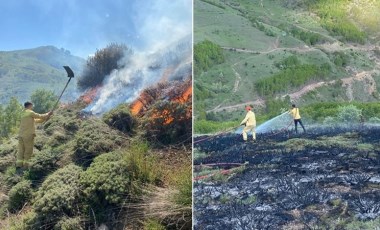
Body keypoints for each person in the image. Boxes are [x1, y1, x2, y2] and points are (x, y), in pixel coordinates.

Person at [17, 102, 52, 172]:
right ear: (29, 105)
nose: (32, 107)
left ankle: (18, 165)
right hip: (28, 135)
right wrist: (48, 114)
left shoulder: (23, 113)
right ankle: (26, 167)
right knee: (28, 151)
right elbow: (39, 116)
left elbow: (36, 120)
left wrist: (45, 118)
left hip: (21, 135)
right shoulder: (29, 112)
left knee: (21, 150)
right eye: (32, 106)